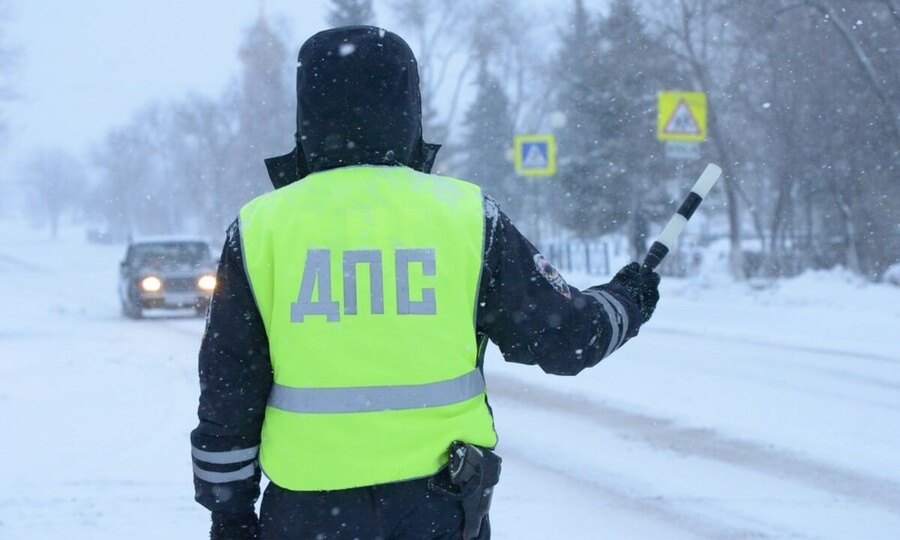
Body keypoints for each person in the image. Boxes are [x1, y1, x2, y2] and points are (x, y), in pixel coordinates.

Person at [190, 25, 661, 540]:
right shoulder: (467, 216)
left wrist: (229, 515)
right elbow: (567, 339)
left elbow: (229, 389)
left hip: (307, 514)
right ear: (409, 106)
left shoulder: (261, 227)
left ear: (307, 112)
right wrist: (627, 299)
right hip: (439, 507)